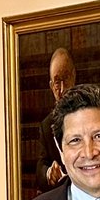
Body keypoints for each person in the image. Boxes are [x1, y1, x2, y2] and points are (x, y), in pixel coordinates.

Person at [35, 47, 77, 191]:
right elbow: (41, 165)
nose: (63, 88)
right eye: (58, 82)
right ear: (52, 86)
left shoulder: (89, 116)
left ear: (74, 77)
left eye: (66, 78)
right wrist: (49, 173)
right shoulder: (47, 125)